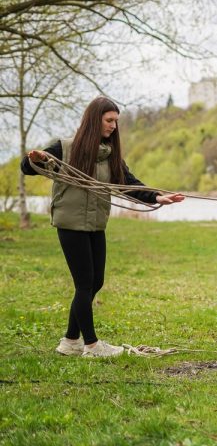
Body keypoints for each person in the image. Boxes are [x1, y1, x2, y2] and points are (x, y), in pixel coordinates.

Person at [20, 96, 185, 358]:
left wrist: (156, 197)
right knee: (84, 283)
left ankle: (70, 341)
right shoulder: (65, 148)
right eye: (109, 120)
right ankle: (92, 345)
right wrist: (37, 159)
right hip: (71, 223)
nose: (113, 126)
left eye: (116, 121)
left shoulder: (109, 154)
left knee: (96, 281)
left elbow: (128, 183)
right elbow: (28, 167)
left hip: (96, 223)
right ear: (94, 119)